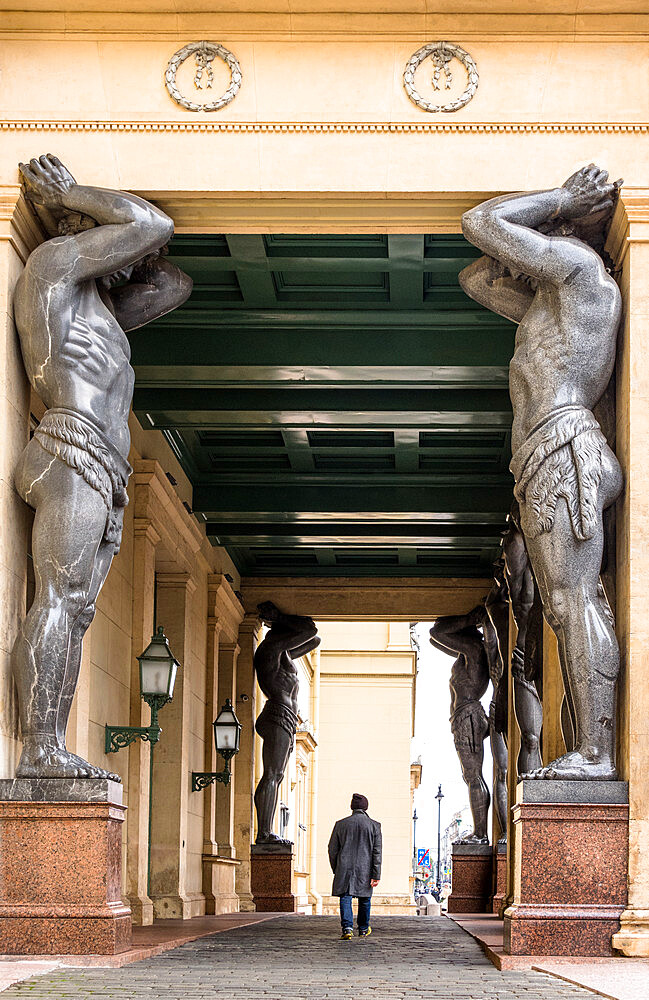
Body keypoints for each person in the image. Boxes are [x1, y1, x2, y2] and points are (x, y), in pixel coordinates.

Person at [12, 154, 192, 780]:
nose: (134, 266)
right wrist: (76, 194)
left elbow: (173, 284)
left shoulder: (101, 312)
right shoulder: (53, 266)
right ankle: (38, 746)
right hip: (72, 445)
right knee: (59, 598)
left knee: (78, 608)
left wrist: (123, 260)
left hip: (103, 462)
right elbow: (149, 225)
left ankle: (49, 747)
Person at [460, 165, 622, 780]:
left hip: (562, 448)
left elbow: (480, 225)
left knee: (572, 600)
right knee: (563, 607)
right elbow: (477, 275)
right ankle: (590, 747)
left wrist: (555, 201)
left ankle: (597, 755)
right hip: (544, 456)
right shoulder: (552, 304)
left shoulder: (583, 275)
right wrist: (540, 224)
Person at [253, 601, 320, 843]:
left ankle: (265, 831)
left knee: (277, 775)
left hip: (286, 718)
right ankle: (263, 833)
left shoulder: (285, 654)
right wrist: (280, 617)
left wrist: (284, 620)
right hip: (278, 714)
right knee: (272, 774)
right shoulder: (270, 650)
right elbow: (309, 632)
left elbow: (314, 640)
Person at [429, 609, 490, 843]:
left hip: (468, 716)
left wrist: (468, 618)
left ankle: (481, 834)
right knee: (471, 776)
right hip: (464, 716)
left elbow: (437, 631)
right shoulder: (467, 653)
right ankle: (480, 832)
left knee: (473, 775)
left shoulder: (473, 650)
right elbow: (434, 638)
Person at [328, 793, 382, 940]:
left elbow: (332, 849)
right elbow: (377, 852)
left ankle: (347, 928)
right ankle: (363, 929)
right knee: (365, 898)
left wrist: (336, 868)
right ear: (366, 807)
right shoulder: (374, 826)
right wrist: (376, 874)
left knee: (345, 897)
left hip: (344, 867)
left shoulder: (340, 824)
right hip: (366, 868)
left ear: (352, 807)